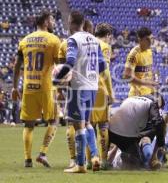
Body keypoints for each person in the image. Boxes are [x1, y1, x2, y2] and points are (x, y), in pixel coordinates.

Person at [53, 11, 106, 173]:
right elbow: (103, 65)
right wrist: (90, 75)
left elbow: (69, 61)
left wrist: (57, 79)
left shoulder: (73, 40)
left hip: (77, 88)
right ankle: (95, 156)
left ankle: (81, 165)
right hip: (92, 87)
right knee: (88, 123)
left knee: (78, 126)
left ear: (71, 22)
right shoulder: (94, 40)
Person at [12, 10, 61, 168]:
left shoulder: (24, 40)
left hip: (28, 87)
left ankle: (27, 160)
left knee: (28, 125)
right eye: (52, 20)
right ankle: (42, 153)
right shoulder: (53, 40)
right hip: (46, 88)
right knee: (54, 120)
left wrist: (14, 87)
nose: (53, 22)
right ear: (46, 21)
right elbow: (60, 65)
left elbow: (17, 65)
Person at [108, 95, 166, 170]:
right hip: (127, 136)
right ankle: (136, 159)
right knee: (138, 162)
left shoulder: (130, 99)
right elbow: (158, 123)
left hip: (112, 131)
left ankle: (106, 162)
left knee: (137, 153)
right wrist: (160, 144)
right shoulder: (152, 104)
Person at [90, 23, 115, 169]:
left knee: (88, 126)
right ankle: (104, 161)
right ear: (108, 35)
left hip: (86, 87)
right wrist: (110, 93)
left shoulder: (88, 43)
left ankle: (90, 160)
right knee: (103, 125)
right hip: (100, 88)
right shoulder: (105, 46)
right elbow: (105, 72)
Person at [123, 27, 158, 97]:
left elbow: (148, 69)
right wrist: (146, 83)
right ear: (140, 40)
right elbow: (127, 76)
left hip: (150, 92)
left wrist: (155, 76)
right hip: (138, 95)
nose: (151, 41)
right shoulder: (134, 54)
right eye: (147, 39)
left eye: (151, 38)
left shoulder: (149, 51)